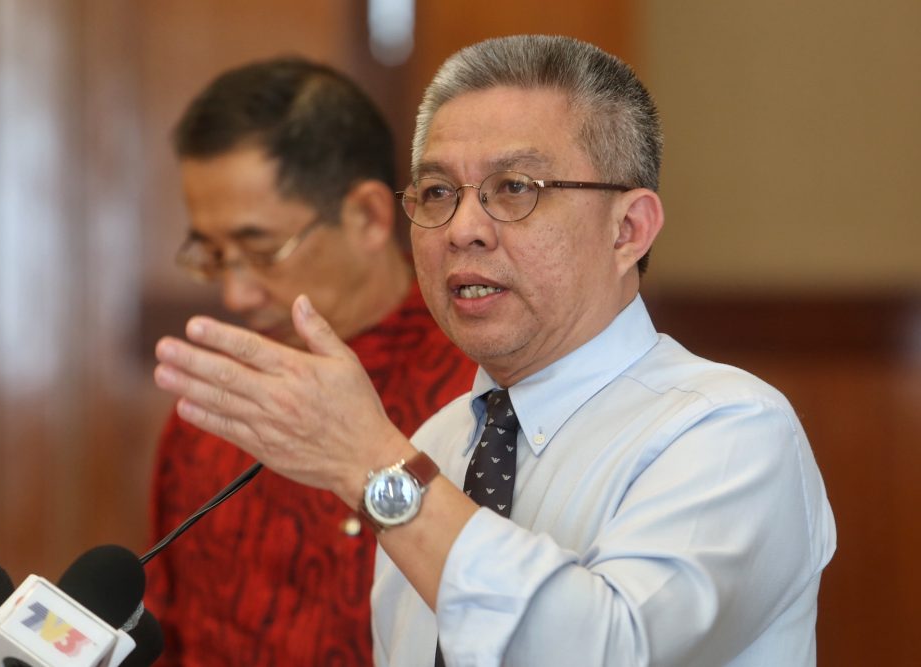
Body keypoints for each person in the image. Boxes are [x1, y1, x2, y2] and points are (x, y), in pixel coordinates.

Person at [153, 35, 836, 666]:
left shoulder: (730, 430)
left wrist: (372, 462)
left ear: (628, 230)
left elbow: (609, 649)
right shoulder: (437, 442)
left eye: (514, 189)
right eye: (438, 192)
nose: (463, 229)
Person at [143, 57, 476, 666]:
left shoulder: (475, 393)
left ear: (369, 216)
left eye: (262, 250)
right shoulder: (214, 409)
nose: (236, 296)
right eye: (213, 253)